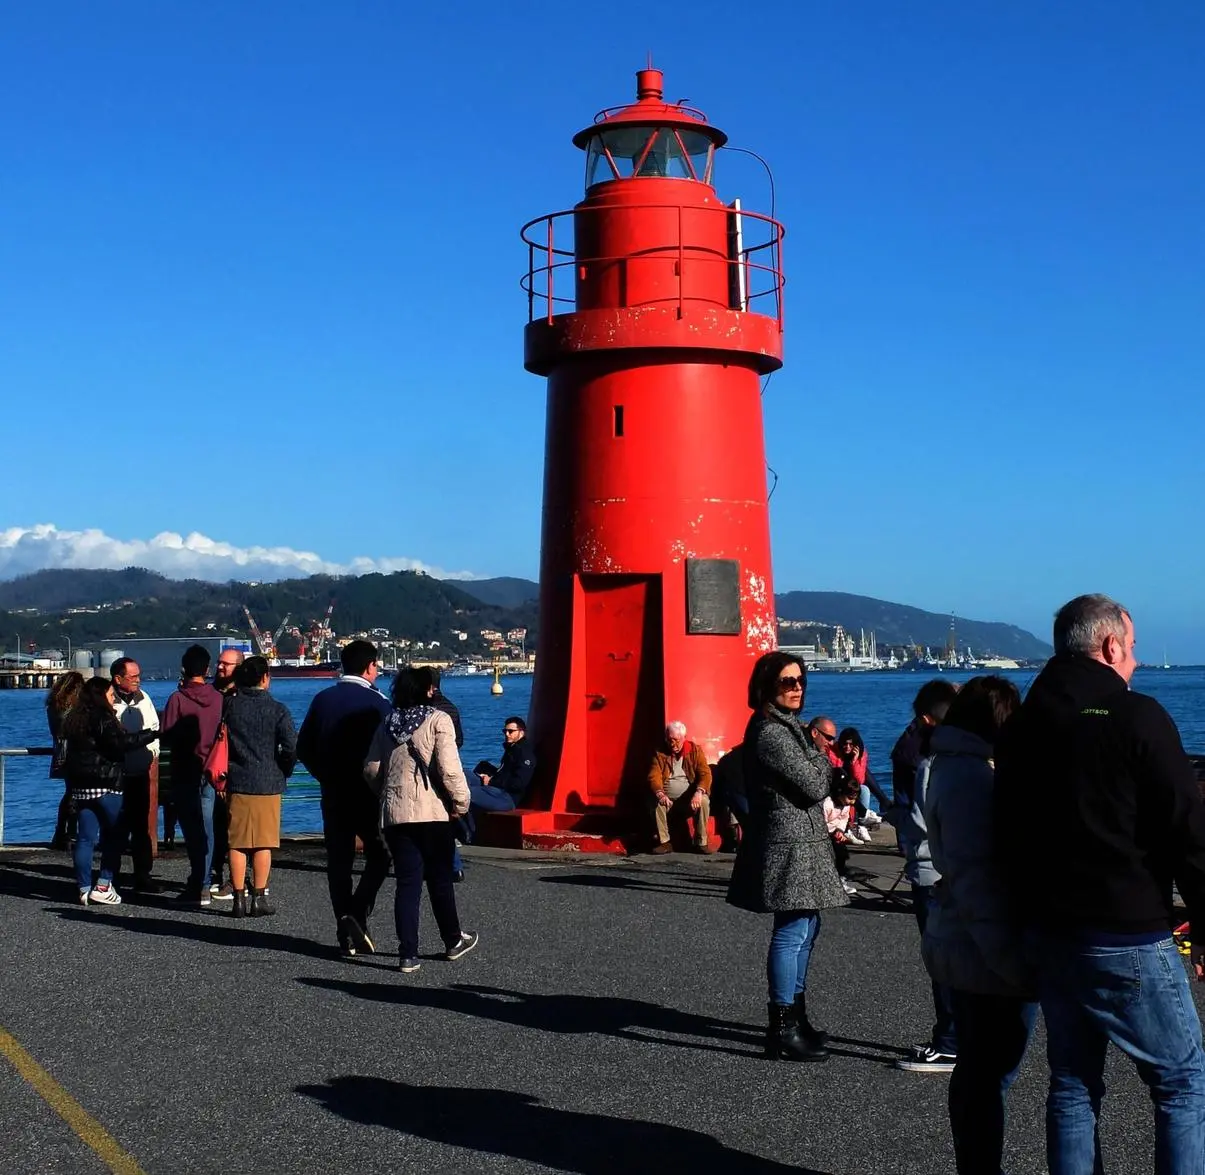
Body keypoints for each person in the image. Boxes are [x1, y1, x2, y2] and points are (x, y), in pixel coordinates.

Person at [996, 594, 1205, 1174]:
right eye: (1132, 648)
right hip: (1128, 928)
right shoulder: (1136, 715)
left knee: (1072, 1083)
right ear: (1110, 645)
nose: (1135, 661)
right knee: (1182, 1082)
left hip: (1052, 929)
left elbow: (1007, 830)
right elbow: (1188, 831)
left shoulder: (1022, 728)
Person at [919, 675, 1032, 1174]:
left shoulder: (946, 766)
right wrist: (1013, 962)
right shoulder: (971, 776)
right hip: (984, 947)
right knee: (989, 1071)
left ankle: (977, 1165)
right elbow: (977, 876)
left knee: (979, 1070)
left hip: (961, 938)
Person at [727, 652, 847, 1062]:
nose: (796, 688)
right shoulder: (772, 733)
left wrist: (815, 751)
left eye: (800, 681)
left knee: (807, 926)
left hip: (800, 840)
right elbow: (815, 785)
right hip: (788, 842)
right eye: (787, 682)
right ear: (766, 686)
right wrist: (819, 754)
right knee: (793, 930)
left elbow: (817, 778)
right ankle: (781, 1027)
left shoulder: (787, 726)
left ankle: (797, 1016)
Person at [363, 667, 478, 974]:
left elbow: (371, 770)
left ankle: (407, 953)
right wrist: (461, 803)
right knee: (440, 879)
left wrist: (387, 793)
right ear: (428, 690)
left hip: (395, 813)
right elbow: (450, 770)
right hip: (432, 812)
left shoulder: (388, 722)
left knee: (407, 882)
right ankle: (452, 940)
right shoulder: (438, 720)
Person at [297, 639, 392, 958]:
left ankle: (344, 928)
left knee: (339, 861)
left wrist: (323, 774)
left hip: (333, 791)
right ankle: (358, 910)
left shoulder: (322, 699)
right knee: (379, 855)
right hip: (367, 792)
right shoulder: (379, 703)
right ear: (370, 666)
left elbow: (303, 748)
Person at [896, 686, 961, 1074]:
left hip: (930, 871)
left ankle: (950, 1042)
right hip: (962, 871)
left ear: (925, 719)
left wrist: (899, 821)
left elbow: (921, 824)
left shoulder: (930, 765)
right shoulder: (977, 759)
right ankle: (961, 1036)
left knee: (940, 962)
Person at [61, 676, 158, 905]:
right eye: (111, 694)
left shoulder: (74, 718)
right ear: (101, 694)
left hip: (82, 787)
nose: (113, 698)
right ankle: (104, 884)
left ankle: (84, 887)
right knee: (116, 834)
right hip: (107, 785)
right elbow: (120, 744)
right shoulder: (103, 717)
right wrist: (152, 734)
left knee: (85, 839)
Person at [222, 656, 297, 917]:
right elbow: (290, 748)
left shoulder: (230, 706)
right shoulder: (278, 709)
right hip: (268, 780)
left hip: (237, 779)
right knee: (263, 843)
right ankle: (259, 897)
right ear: (265, 678)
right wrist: (282, 770)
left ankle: (238, 899)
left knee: (238, 843)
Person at [159, 645, 224, 907]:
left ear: (184, 669)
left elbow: (166, 734)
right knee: (208, 827)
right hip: (211, 769)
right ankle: (206, 883)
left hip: (184, 769)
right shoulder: (218, 698)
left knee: (191, 829)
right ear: (207, 669)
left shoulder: (177, 699)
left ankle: (198, 880)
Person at [110, 658, 160, 892]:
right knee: (115, 826)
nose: (138, 680)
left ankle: (143, 874)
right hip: (116, 773)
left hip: (140, 771)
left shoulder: (144, 698)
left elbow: (154, 728)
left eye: (139, 675)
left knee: (141, 826)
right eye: (132, 676)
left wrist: (150, 755)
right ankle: (111, 875)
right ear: (118, 679)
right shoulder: (108, 700)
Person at [647, 721, 717, 854]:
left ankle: (701, 842)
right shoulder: (660, 753)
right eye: (669, 740)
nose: (673, 744)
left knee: (704, 801)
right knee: (654, 802)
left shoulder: (695, 750)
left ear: (684, 738)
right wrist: (660, 794)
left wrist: (699, 792)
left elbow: (705, 773)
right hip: (667, 799)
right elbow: (653, 776)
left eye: (676, 740)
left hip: (689, 799)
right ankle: (664, 842)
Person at [208, 646, 244, 894]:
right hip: (213, 771)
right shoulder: (211, 694)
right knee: (215, 824)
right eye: (219, 663)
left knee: (236, 827)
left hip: (236, 771)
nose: (220, 667)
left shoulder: (241, 698)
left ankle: (236, 878)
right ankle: (215, 872)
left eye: (226, 664)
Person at [46, 670, 84, 849]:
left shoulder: (54, 705)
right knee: (76, 794)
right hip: (74, 751)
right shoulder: (74, 707)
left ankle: (61, 832)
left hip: (60, 751)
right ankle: (70, 833)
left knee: (70, 792)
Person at [470, 717, 536, 815]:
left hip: (507, 798)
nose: (506, 734)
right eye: (505, 731)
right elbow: (504, 773)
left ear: (521, 733)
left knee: (464, 791)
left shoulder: (525, 754)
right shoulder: (512, 749)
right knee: (463, 775)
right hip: (497, 788)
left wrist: (491, 781)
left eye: (511, 731)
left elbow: (518, 784)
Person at [836, 727, 889, 834]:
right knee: (864, 786)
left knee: (864, 787)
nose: (847, 747)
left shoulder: (861, 753)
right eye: (845, 744)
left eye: (851, 745)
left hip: (852, 784)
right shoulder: (835, 752)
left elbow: (859, 780)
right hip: (839, 785)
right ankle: (880, 803)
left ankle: (864, 819)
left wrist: (854, 761)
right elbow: (837, 774)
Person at [822, 771, 862, 897]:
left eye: (854, 799)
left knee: (842, 855)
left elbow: (843, 819)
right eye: (850, 798)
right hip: (823, 835)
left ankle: (840, 878)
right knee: (828, 858)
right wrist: (832, 832)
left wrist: (839, 830)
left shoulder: (846, 805)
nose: (852, 802)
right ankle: (828, 882)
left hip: (835, 833)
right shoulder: (828, 804)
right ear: (840, 793)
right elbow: (821, 823)